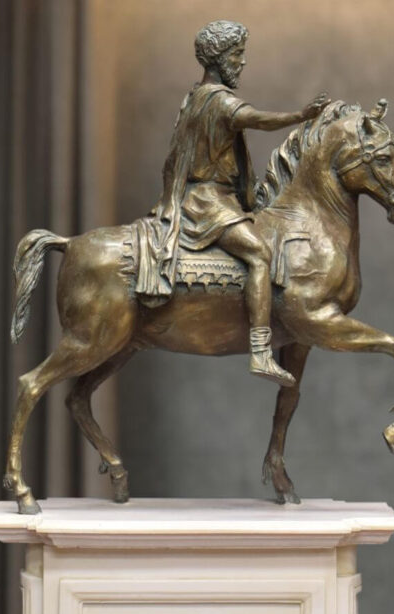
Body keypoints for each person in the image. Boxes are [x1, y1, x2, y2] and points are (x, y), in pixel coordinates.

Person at [136, 20, 330, 386]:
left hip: (205, 197)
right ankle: (260, 352)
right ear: (219, 58)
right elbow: (255, 119)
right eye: (238, 55)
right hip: (208, 202)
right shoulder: (219, 101)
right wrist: (300, 116)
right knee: (259, 255)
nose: (242, 63)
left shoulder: (194, 97)